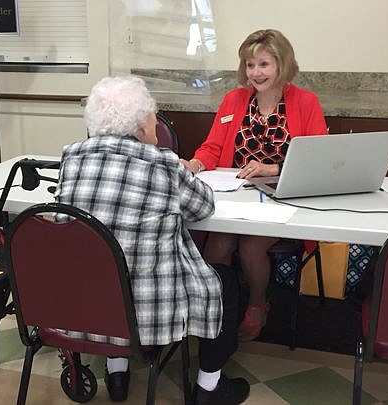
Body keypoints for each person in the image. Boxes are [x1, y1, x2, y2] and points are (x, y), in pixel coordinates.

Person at [55, 76, 249, 404]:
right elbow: (203, 206)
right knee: (229, 283)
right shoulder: (162, 163)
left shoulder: (71, 158)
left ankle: (117, 373)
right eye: (152, 117)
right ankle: (209, 387)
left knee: (107, 265)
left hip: (85, 305)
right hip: (150, 311)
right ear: (143, 126)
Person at [182, 29, 328, 342]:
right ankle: (218, 307)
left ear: (282, 65)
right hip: (236, 195)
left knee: (250, 247)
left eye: (263, 64)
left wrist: (272, 168)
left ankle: (257, 303)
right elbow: (211, 147)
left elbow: (318, 158)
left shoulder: (305, 102)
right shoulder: (233, 100)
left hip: (283, 198)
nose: (255, 73)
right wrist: (194, 164)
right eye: (250, 65)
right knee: (218, 243)